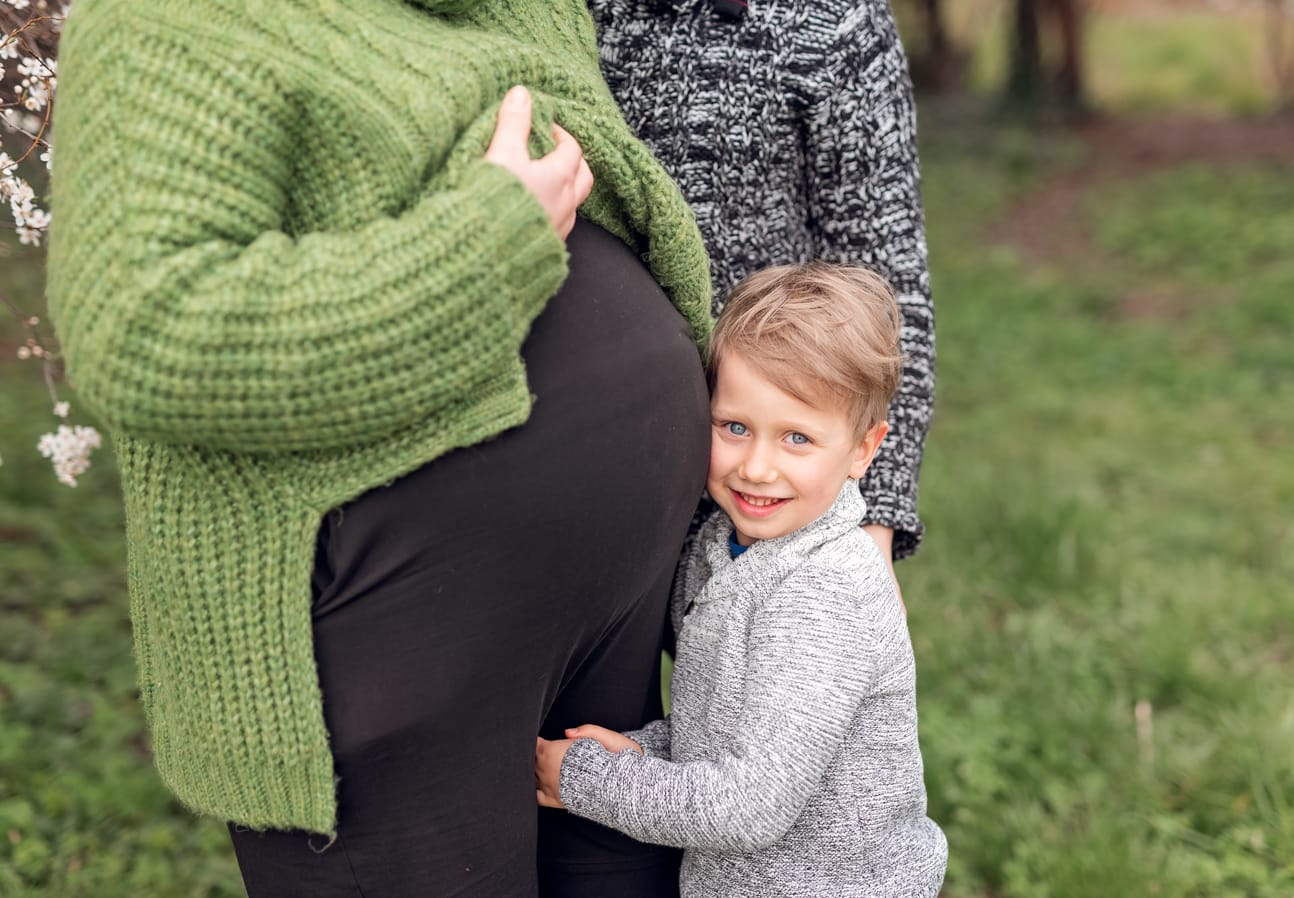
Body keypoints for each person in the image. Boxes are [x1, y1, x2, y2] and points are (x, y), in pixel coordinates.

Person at [47, 0, 715, 895]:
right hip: (392, 618)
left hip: (606, 602)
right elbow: (144, 331)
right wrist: (487, 248)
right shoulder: (165, 18)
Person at [535, 263, 948, 897]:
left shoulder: (824, 590)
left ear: (864, 451)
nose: (756, 466)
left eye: (797, 438)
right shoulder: (727, 547)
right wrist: (643, 753)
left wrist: (589, 780)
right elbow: (730, 726)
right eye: (735, 427)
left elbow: (751, 806)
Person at [590, 0, 936, 571]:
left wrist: (875, 524)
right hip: (575, 445)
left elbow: (887, 276)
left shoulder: (831, 18)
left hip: (758, 469)